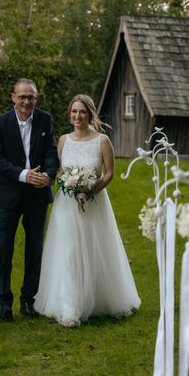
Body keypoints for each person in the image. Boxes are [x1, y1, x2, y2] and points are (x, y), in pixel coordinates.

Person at [34, 94, 141, 327]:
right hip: (67, 204)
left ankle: (97, 298)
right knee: (68, 251)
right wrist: (68, 183)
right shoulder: (63, 140)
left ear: (90, 114)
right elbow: (60, 170)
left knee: (95, 249)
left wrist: (90, 191)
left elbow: (109, 173)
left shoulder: (102, 141)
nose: (77, 116)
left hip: (93, 203)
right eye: (73, 112)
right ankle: (68, 307)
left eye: (82, 112)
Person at [0, 78, 59, 320]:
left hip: (37, 195)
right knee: (4, 249)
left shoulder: (45, 120)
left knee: (34, 250)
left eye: (31, 97)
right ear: (13, 97)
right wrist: (24, 175)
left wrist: (47, 176)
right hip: (8, 193)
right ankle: (2, 303)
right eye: (22, 97)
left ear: (36, 98)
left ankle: (29, 300)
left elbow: (51, 152)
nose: (26, 101)